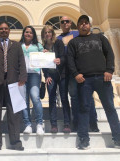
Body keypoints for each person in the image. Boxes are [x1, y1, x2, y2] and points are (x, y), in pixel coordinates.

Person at [67, 15, 120, 149]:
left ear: (90, 25)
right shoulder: (73, 42)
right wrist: (76, 74)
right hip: (84, 80)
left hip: (103, 78)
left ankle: (118, 138)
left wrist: (109, 70)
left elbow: (110, 54)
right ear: (77, 26)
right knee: (84, 109)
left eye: (86, 23)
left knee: (110, 108)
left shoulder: (100, 38)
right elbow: (70, 60)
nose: (83, 25)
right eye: (81, 23)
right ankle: (84, 140)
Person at [0, 21, 27, 151]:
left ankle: (15, 142)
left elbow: (22, 62)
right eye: (1, 29)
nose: (3, 31)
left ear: (9, 31)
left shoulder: (17, 45)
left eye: (6, 29)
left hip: (14, 83)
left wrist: (23, 77)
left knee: (14, 114)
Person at [57, 16, 99, 132]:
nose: (65, 23)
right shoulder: (58, 38)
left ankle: (93, 123)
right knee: (74, 98)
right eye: (62, 22)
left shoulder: (77, 33)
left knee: (88, 98)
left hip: (83, 70)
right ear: (60, 24)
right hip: (69, 72)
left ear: (71, 23)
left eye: (67, 21)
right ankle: (76, 123)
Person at [41, 25, 71, 133]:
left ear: (52, 34)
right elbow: (43, 63)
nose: (47, 34)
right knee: (52, 99)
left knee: (64, 98)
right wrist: (46, 76)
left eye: (49, 32)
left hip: (62, 74)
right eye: (45, 32)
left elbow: (64, 56)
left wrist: (60, 60)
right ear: (43, 35)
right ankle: (53, 124)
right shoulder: (43, 47)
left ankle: (67, 123)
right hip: (50, 76)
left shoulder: (58, 43)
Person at [19, 25, 44, 135]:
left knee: (35, 97)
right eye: (26, 32)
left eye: (30, 32)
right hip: (21, 75)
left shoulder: (38, 45)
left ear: (33, 35)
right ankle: (27, 125)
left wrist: (45, 53)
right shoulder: (19, 45)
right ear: (23, 33)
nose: (28, 34)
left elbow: (45, 57)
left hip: (34, 74)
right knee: (23, 100)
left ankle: (39, 124)